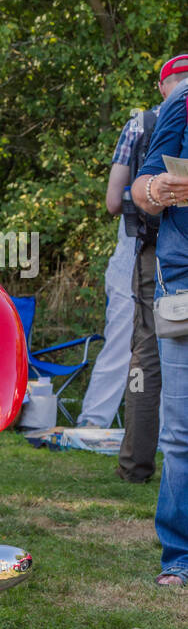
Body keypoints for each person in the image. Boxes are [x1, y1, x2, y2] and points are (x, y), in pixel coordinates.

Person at [116, 54, 188, 479]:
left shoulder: (137, 122)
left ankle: (134, 466)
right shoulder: (167, 115)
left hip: (148, 247)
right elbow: (142, 186)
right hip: (171, 259)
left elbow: (115, 198)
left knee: (144, 354)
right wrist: (158, 189)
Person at [131, 63, 188, 588]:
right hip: (184, 282)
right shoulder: (182, 100)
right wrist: (160, 188)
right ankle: (179, 557)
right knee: (181, 433)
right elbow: (139, 191)